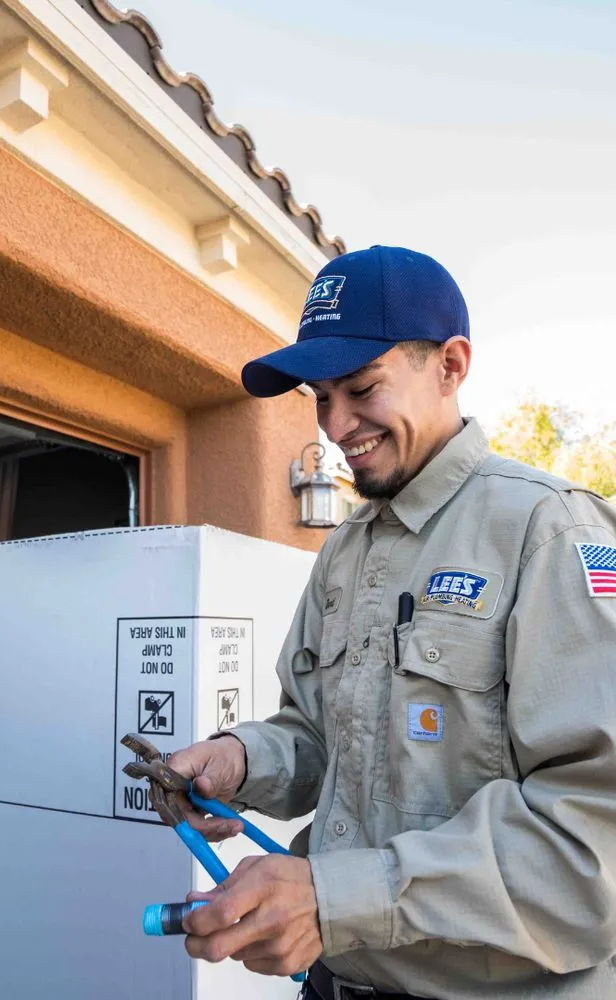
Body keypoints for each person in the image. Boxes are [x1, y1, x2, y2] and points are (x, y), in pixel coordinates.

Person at [168, 245, 616, 999]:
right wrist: (236, 761)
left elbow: (594, 843)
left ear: (451, 364)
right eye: (319, 397)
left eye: (362, 388)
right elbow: (321, 738)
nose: (337, 426)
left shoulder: (550, 530)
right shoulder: (344, 551)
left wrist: (335, 898)